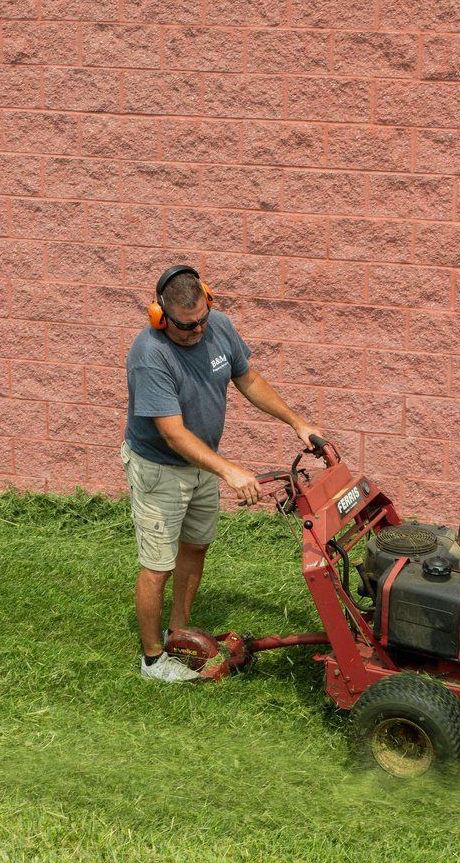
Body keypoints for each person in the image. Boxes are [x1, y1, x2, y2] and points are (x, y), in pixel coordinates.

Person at [121, 264, 322, 683]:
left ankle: (178, 632)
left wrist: (296, 421)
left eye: (201, 322)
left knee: (195, 547)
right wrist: (230, 471)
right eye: (185, 326)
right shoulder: (149, 355)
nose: (197, 332)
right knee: (158, 564)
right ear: (160, 316)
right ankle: (153, 660)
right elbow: (173, 435)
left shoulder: (220, 327)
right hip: (160, 470)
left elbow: (249, 380)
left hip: (201, 465)